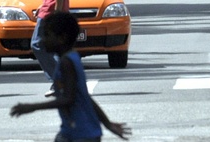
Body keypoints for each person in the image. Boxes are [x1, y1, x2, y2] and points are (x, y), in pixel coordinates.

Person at [10, 12, 131, 141]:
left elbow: (68, 99)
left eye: (47, 35)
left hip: (81, 134)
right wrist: (107, 123)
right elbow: (85, 97)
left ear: (62, 38)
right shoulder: (72, 58)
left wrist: (32, 107)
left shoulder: (67, 63)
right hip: (76, 131)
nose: (42, 39)